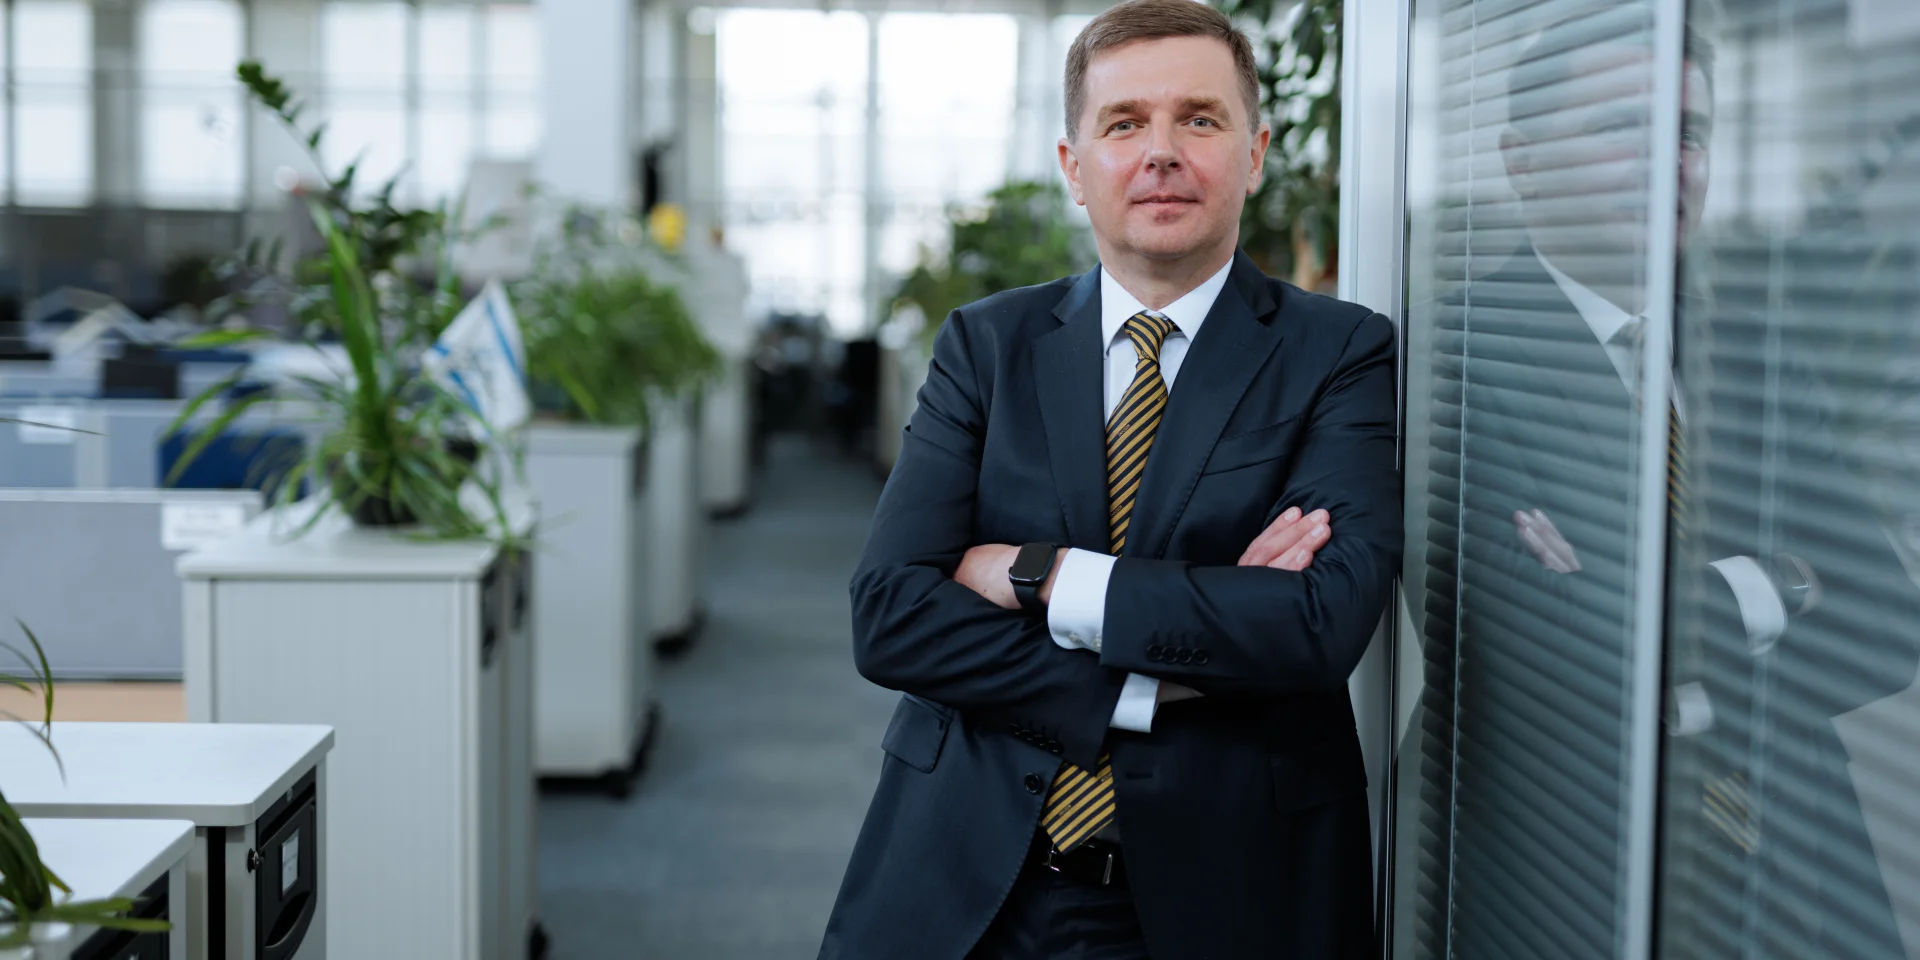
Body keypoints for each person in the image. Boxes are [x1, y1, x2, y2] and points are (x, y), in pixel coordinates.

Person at [817, 1, 1400, 957]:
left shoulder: (1337, 352)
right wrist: (1153, 681)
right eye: (1125, 123)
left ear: (1255, 154)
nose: (1161, 152)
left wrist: (1044, 576)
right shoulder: (987, 345)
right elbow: (889, 615)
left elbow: (1316, 624)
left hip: (1229, 891)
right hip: (966, 877)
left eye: (1199, 119)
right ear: (1074, 167)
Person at [1439, 9, 1920, 956]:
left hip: (1793, 870)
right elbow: (1555, 662)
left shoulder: (1753, 350)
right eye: (1621, 127)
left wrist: (1643, 621)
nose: (1669, 161)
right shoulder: (1455, 354)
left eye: (1691, 133)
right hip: (1561, 878)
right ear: (1520, 161)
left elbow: (1887, 625)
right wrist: (1778, 585)